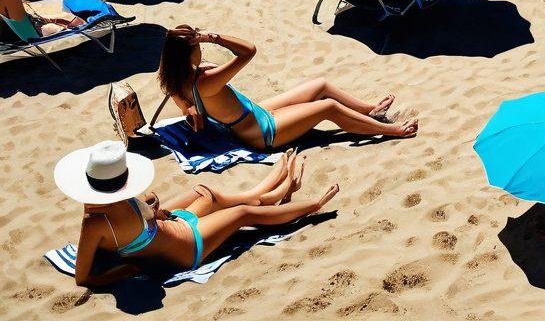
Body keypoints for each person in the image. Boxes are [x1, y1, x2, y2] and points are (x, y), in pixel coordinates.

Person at [56, 140, 338, 287]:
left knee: (205, 192)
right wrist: (121, 274)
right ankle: (312, 205)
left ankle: (268, 191)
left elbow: (149, 217)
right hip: (188, 245)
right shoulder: (94, 222)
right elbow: (84, 278)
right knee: (242, 215)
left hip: (174, 226)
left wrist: (153, 207)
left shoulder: (107, 203)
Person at [157, 27, 418, 150]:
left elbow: (183, 102)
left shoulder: (175, 79)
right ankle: (388, 130)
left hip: (254, 114)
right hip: (262, 132)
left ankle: (368, 110)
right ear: (190, 53)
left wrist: (191, 111)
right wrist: (213, 36)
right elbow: (248, 51)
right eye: (197, 46)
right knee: (327, 107)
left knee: (320, 85)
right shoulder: (205, 81)